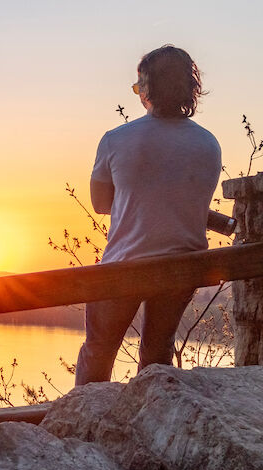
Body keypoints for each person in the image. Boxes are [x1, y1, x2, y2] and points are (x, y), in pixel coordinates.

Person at [75, 45, 222, 385]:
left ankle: (81, 426)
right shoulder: (208, 143)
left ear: (146, 88)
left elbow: (100, 204)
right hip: (184, 266)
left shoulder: (116, 140)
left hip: (125, 265)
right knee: (157, 353)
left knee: (98, 351)